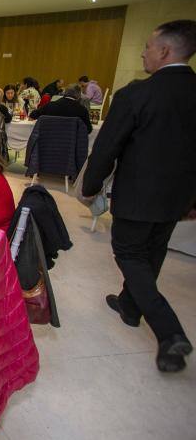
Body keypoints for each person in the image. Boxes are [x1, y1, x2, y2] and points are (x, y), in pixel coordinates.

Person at [83, 19, 196, 373]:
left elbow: (107, 147)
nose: (143, 53)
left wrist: (91, 185)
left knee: (130, 254)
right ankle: (130, 307)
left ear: (164, 51)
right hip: (178, 197)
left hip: (138, 195)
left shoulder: (137, 94)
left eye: (147, 47)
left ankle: (169, 332)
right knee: (153, 251)